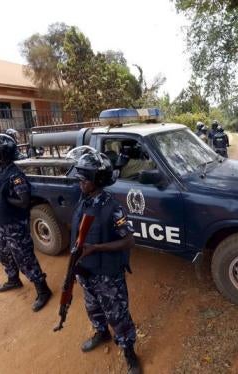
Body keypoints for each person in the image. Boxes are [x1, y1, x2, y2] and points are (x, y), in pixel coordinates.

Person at [68, 146, 141, 374]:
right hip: (86, 270)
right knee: (92, 307)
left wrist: (96, 248)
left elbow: (129, 241)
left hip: (108, 274)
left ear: (97, 181)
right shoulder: (85, 199)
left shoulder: (113, 207)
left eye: (84, 180)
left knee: (118, 314)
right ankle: (101, 332)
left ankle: (129, 353)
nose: (80, 183)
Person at [0, 134, 52, 312]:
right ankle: (13, 279)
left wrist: (7, 199)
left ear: (3, 153)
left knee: (24, 258)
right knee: (5, 254)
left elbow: (24, 201)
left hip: (15, 225)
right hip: (3, 224)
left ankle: (43, 290)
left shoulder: (15, 175)